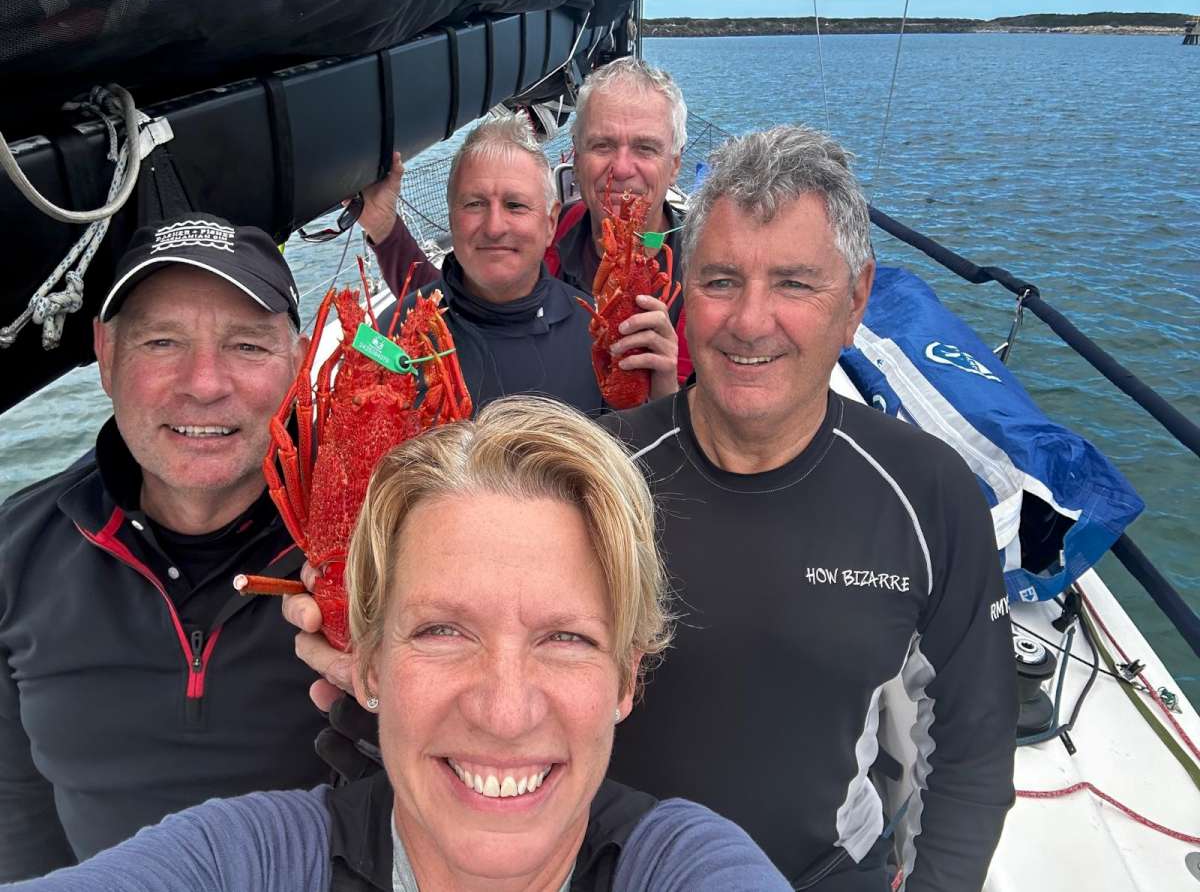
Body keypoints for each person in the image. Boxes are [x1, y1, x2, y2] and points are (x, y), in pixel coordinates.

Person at [286, 126, 1019, 892]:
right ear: (680, 288)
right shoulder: (591, 477)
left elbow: (972, 738)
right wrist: (366, 663)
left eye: (795, 284)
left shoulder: (928, 493)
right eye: (721, 280)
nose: (749, 321)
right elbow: (475, 662)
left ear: (856, 298)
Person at [6, 397, 792, 892]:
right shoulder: (245, 859)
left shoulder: (686, 865)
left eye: (565, 637)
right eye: (442, 631)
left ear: (627, 678)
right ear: (367, 665)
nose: (504, 710)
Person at [0, 214, 329, 881]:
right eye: (161, 342)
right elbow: (16, 808)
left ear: (297, 365)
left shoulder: (383, 543)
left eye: (247, 346)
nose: (204, 383)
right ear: (105, 355)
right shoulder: (14, 556)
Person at [362, 57, 695, 383]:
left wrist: (665, 390)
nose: (621, 169)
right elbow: (460, 303)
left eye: (645, 148)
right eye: (602, 145)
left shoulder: (702, 271)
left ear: (675, 164)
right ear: (576, 159)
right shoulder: (545, 228)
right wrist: (385, 228)